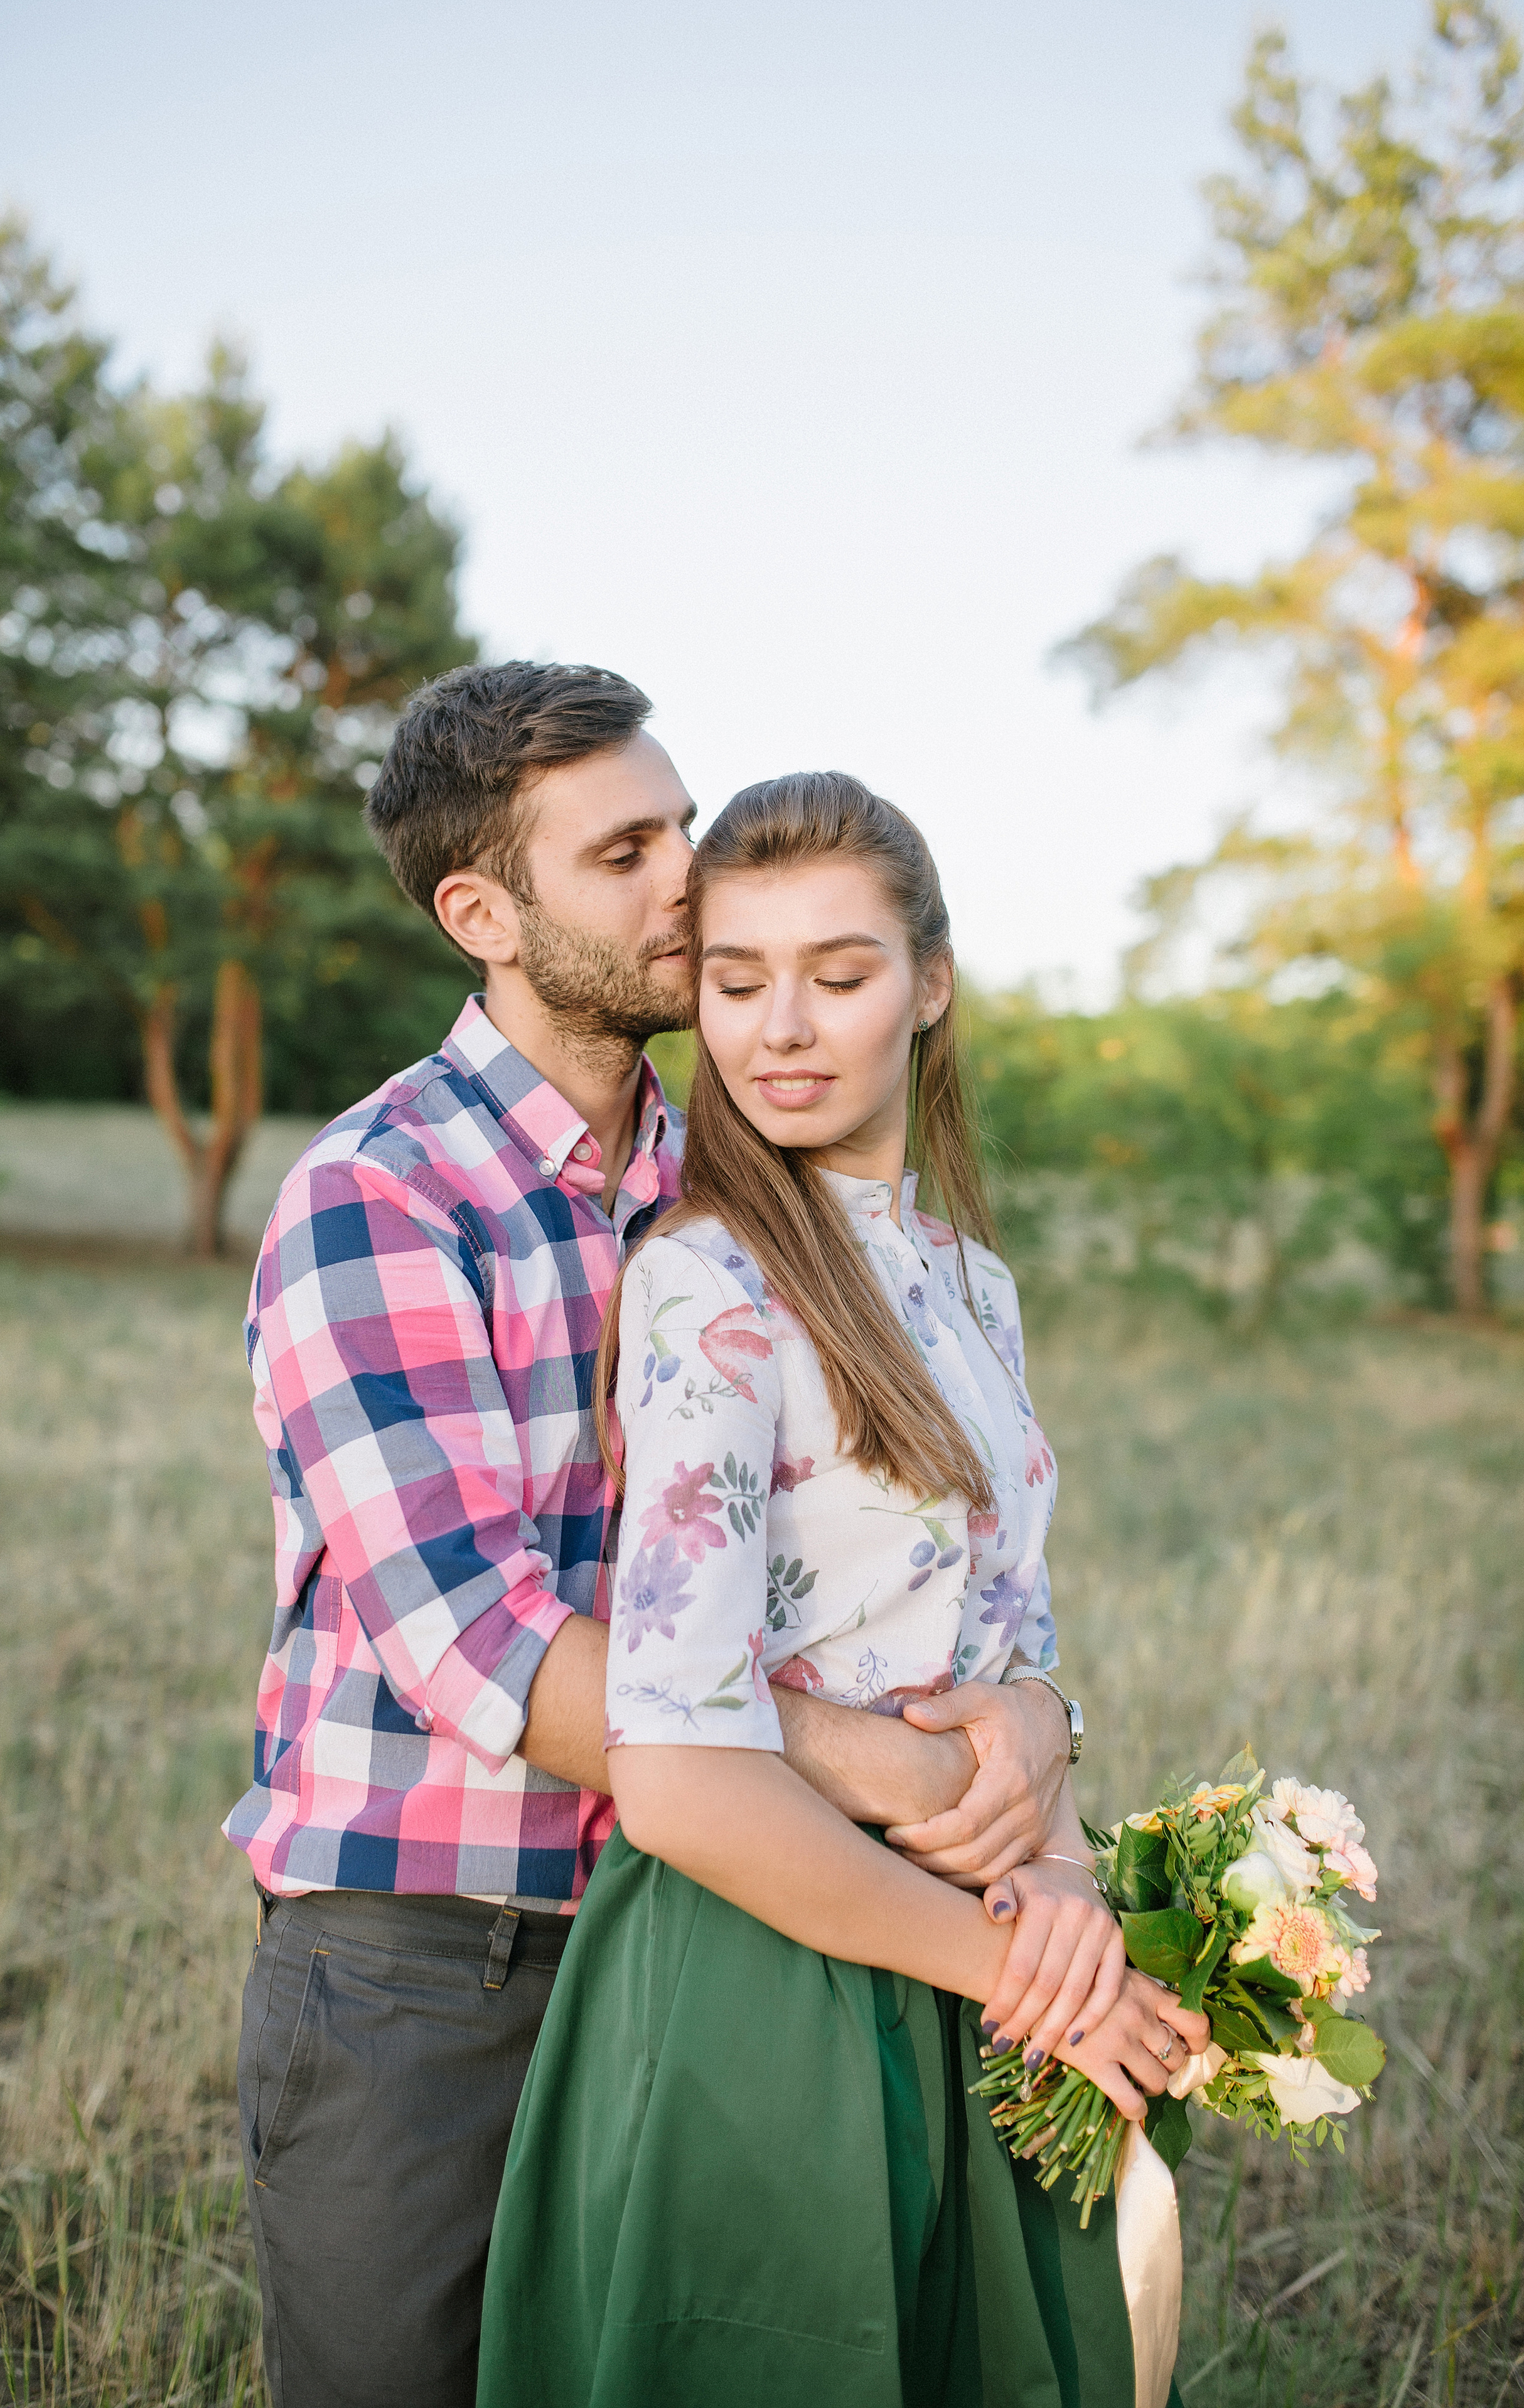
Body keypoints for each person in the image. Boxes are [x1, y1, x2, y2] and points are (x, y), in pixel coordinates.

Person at [222, 669, 1083, 2408]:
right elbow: (478, 1638)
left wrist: (1039, 1733)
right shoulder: (381, 1194)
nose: (686, 879)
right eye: (625, 849)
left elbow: (881, 1562)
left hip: (700, 1920)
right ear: (486, 913)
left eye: (681, 822)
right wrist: (887, 1774)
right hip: (430, 1951)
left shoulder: (732, 1178)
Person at [477, 771, 1210, 2408]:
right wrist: (1010, 1966)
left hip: (984, 1949)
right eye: (735, 979)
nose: (781, 1025)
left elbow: (1014, 1648)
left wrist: (1071, 1884)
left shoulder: (972, 1283)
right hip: (768, 1977)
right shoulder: (705, 1287)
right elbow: (675, 1771)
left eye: (841, 970)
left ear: (930, 981)